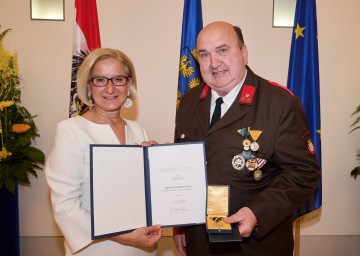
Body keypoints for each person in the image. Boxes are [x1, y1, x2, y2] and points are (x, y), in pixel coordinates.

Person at [173, 21, 321, 256]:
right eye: (204, 55)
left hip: (255, 245)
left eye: (222, 50)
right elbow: (183, 167)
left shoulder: (280, 104)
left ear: (243, 52)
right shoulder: (190, 101)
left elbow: (304, 173)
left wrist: (257, 213)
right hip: (200, 242)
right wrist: (180, 224)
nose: (214, 63)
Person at [45, 48, 162, 256]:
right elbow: (65, 205)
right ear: (89, 86)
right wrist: (122, 236)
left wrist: (158, 166)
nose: (110, 88)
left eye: (118, 79)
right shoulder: (71, 130)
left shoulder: (137, 130)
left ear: (129, 84)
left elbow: (145, 195)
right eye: (100, 80)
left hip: (142, 247)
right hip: (97, 248)